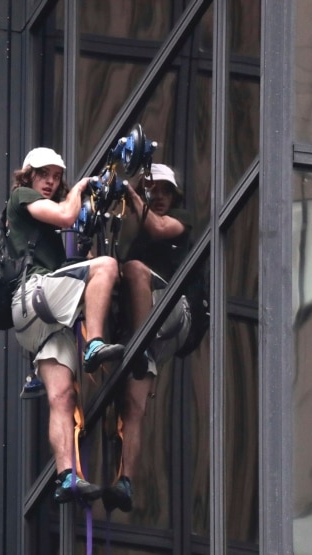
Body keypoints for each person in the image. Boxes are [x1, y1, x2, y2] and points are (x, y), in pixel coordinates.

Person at [7, 147, 125, 504]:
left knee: (63, 396)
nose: (51, 182)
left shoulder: (44, 238)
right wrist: (80, 189)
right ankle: (95, 344)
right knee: (106, 268)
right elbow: (64, 215)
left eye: (57, 177)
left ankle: (66, 476)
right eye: (45, 174)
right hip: (35, 296)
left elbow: (74, 263)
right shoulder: (21, 197)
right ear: (28, 175)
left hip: (39, 323)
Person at [104, 163, 193, 513]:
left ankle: (138, 346)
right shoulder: (136, 234)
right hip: (152, 331)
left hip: (173, 312)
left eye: (165, 191)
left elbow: (156, 228)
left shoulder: (180, 219)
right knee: (134, 405)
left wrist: (130, 190)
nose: (158, 196)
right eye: (152, 189)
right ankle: (125, 481)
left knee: (135, 270)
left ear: (175, 197)